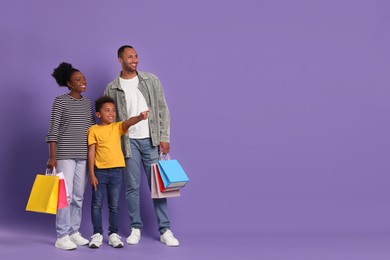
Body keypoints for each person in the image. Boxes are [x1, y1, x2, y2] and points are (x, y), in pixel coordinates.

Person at [104, 45, 179, 247]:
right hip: (128, 144)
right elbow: (109, 121)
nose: (135, 60)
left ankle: (165, 230)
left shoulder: (150, 80)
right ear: (120, 59)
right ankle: (136, 228)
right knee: (132, 187)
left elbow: (163, 109)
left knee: (159, 187)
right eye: (130, 57)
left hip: (151, 140)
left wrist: (164, 136)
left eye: (136, 56)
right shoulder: (112, 88)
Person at [87, 96, 149, 249]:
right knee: (97, 204)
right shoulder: (93, 130)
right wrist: (92, 174)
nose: (111, 113)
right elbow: (91, 152)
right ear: (98, 114)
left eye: (113, 110)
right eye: (107, 110)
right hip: (99, 172)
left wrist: (140, 117)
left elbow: (128, 122)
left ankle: (113, 234)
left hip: (116, 173)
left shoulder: (117, 127)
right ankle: (97, 234)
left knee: (114, 205)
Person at [46, 62, 95, 250]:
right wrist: (52, 156)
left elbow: (91, 130)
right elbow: (53, 130)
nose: (83, 81)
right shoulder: (60, 101)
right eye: (78, 79)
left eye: (83, 78)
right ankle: (62, 235)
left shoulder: (87, 103)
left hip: (83, 155)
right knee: (64, 195)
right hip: (64, 154)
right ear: (69, 83)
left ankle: (74, 232)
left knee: (79, 195)